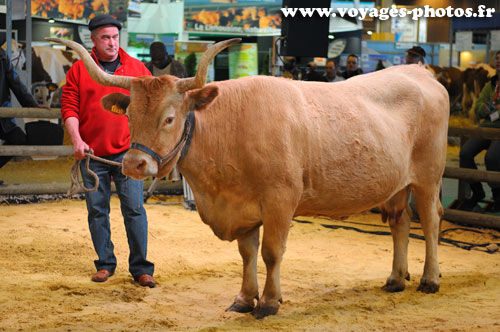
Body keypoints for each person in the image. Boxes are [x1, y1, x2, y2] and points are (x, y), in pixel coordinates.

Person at [61, 14, 156, 287]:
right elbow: (69, 107)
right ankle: (105, 264)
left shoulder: (138, 69)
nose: (112, 43)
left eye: (115, 37)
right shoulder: (79, 70)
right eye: (105, 37)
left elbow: (153, 108)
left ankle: (141, 268)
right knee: (97, 210)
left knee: (135, 210)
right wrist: (77, 141)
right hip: (92, 156)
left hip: (129, 155)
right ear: (93, 39)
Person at [458, 50, 500, 212]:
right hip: (485, 129)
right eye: (497, 59)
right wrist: (492, 109)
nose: (498, 62)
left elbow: (486, 107)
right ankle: (477, 191)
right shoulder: (490, 84)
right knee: (465, 153)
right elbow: (478, 109)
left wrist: (490, 109)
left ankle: (497, 195)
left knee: (492, 158)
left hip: (498, 132)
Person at [0, 48, 45, 185]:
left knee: (18, 139)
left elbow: (15, 82)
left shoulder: (2, 56)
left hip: (2, 113)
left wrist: (32, 105)